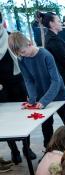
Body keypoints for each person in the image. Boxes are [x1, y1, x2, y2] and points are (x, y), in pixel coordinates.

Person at [8, 32, 65, 148]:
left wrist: (44, 101)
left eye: (23, 52)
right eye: (19, 54)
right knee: (46, 126)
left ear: (29, 44)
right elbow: (29, 80)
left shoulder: (46, 55)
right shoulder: (22, 59)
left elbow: (56, 81)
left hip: (59, 96)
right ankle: (48, 149)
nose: (22, 55)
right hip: (41, 97)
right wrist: (32, 99)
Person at [0, 12, 33, 165]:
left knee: (24, 116)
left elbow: (23, 59)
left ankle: (27, 147)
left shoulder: (10, 37)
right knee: (7, 120)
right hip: (2, 87)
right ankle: (14, 150)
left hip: (18, 82)